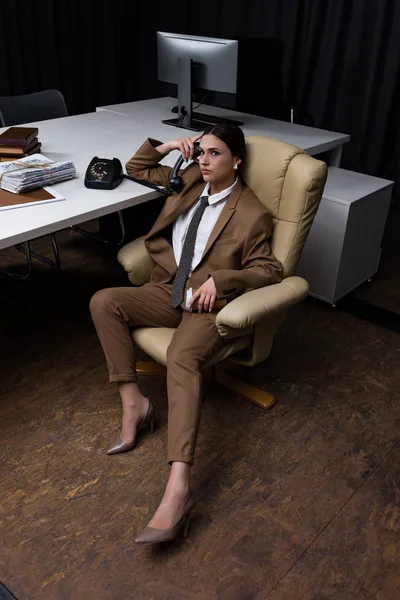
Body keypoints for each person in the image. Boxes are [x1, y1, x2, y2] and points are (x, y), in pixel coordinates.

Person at [89, 124, 283, 544]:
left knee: (181, 356)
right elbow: (136, 167)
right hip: (166, 289)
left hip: (205, 304)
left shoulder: (251, 212)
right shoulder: (191, 177)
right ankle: (134, 404)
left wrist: (224, 281)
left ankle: (179, 485)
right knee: (104, 301)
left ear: (237, 161)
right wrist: (169, 147)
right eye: (201, 151)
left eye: (215, 153)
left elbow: (270, 269)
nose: (204, 160)